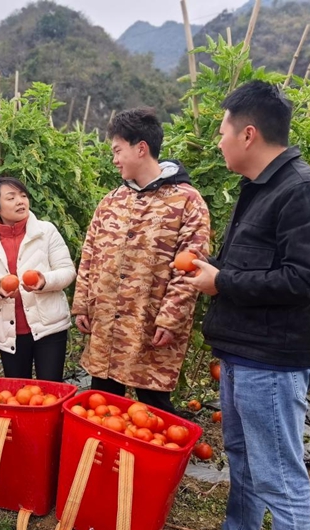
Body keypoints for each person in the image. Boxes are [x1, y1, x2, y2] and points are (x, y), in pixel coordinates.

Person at [178, 81, 310, 530]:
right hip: (243, 350)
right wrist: (212, 268)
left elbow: (306, 279)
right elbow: (255, 267)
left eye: (222, 131)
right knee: (244, 455)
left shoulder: (306, 192)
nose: (218, 141)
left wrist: (222, 281)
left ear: (248, 134)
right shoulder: (260, 189)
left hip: (271, 360)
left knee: (279, 473)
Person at [71, 107, 209, 414]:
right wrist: (82, 305)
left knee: (154, 411)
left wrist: (171, 318)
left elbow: (191, 267)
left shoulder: (186, 201)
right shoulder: (112, 201)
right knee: (103, 407)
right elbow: (89, 255)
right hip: (106, 325)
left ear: (141, 148)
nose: (115, 159)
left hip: (150, 326)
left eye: (117, 150)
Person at [0, 177, 76, 381]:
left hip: (49, 327)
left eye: (23, 196)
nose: (20, 201)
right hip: (8, 332)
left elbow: (67, 271)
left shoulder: (46, 232)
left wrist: (44, 281)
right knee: (19, 391)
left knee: (51, 387)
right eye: (11, 198)